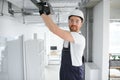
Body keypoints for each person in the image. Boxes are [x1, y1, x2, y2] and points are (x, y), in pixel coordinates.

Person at [37, 1, 85, 80]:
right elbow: (53, 26)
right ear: (68, 22)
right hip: (64, 70)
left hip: (74, 74)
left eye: (77, 21)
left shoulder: (79, 38)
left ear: (81, 23)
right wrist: (48, 13)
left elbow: (54, 29)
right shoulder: (69, 35)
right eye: (71, 20)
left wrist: (42, 12)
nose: (74, 23)